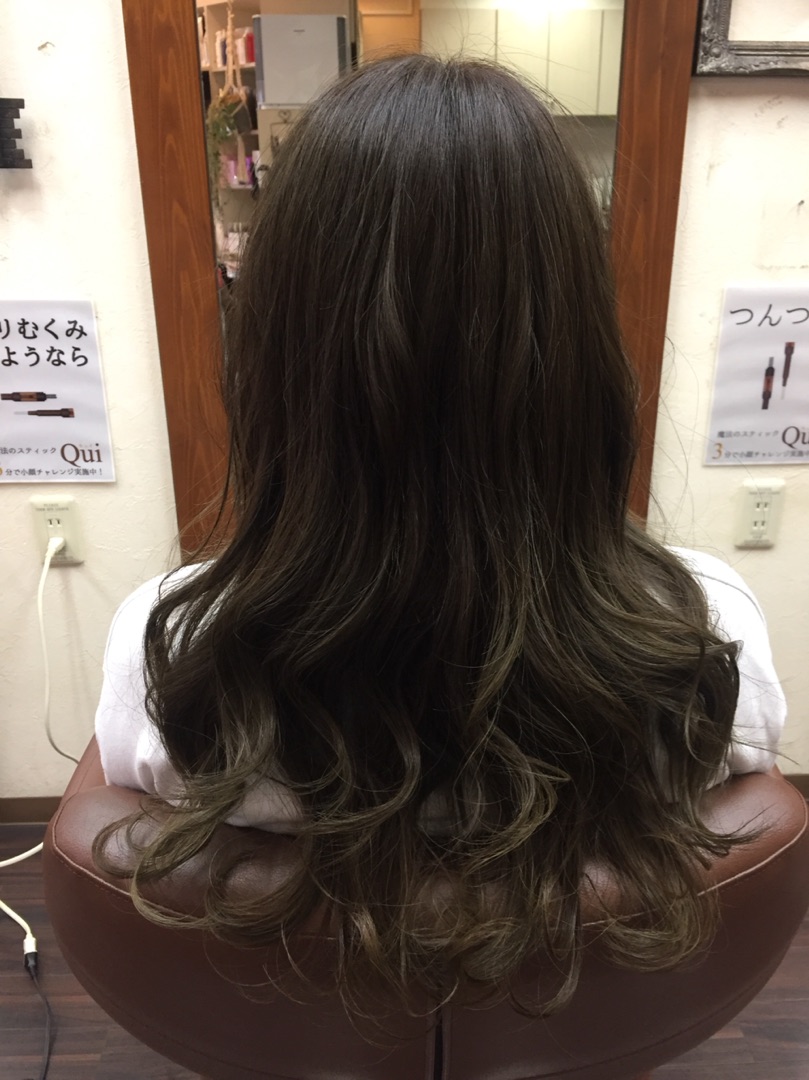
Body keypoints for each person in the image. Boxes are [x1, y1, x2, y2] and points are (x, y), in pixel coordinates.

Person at [94, 54, 785, 1016]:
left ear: (280, 351)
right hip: (577, 1024)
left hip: (304, 1030)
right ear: (579, 348)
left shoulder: (171, 649)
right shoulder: (708, 639)